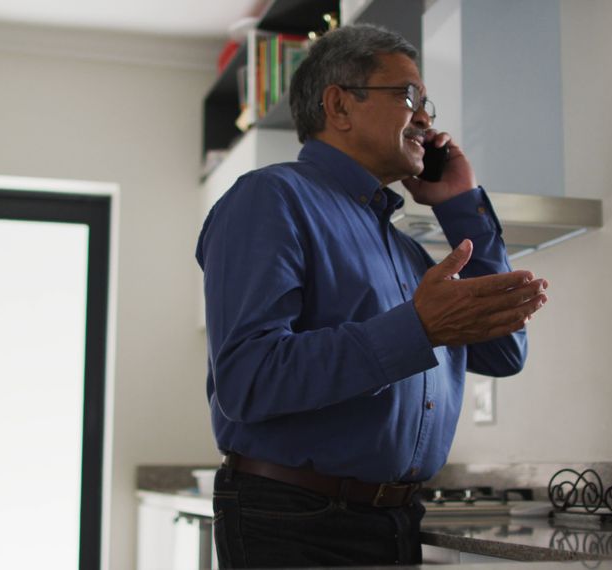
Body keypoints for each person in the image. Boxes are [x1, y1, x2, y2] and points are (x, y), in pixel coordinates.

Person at [195, 23, 549, 568]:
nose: (428, 118)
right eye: (411, 97)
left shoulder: (405, 249)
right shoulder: (270, 198)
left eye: (428, 104)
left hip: (395, 521)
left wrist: (459, 205)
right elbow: (248, 379)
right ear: (339, 105)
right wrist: (418, 328)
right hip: (294, 523)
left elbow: (503, 352)